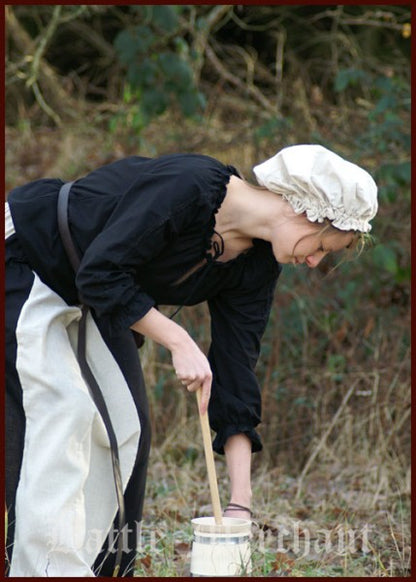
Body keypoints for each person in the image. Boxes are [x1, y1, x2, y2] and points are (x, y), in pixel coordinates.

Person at [5, 144, 378, 577]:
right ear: (307, 212)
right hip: (29, 254)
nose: (314, 261)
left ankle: (100, 569)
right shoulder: (190, 185)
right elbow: (101, 271)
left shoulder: (256, 266)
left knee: (127, 429)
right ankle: (40, 569)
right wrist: (178, 340)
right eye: (320, 246)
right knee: (61, 412)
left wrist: (240, 504)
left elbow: (237, 371)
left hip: (94, 296)